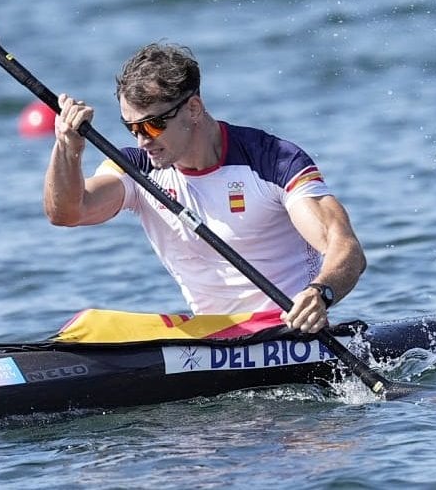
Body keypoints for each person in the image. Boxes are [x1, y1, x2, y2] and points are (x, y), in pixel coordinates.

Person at [44, 42, 366, 334]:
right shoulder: (137, 168)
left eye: (153, 124)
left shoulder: (271, 161)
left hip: (288, 330)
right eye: (131, 127)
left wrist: (320, 293)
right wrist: (67, 147)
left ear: (194, 109)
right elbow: (69, 212)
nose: (142, 139)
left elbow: (345, 247)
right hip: (211, 337)